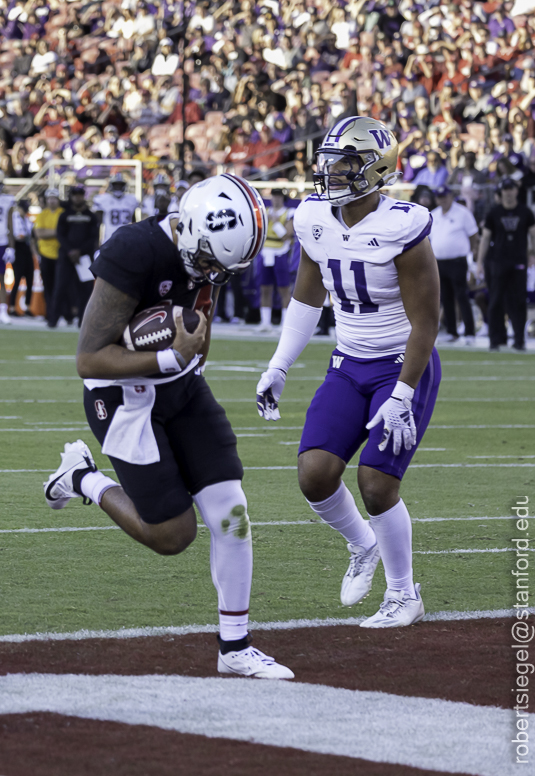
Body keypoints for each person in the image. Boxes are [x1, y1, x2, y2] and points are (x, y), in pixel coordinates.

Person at [43, 174, 293, 680]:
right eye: (209, 262)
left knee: (232, 512)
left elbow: (200, 318)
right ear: (190, 230)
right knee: (172, 535)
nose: (212, 274)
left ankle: (235, 646)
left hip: (181, 386)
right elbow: (89, 359)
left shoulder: (209, 253)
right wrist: (168, 358)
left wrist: (187, 361)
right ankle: (82, 478)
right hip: (122, 397)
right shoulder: (134, 250)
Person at [257, 117, 441, 628]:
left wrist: (402, 394)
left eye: (346, 163)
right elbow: (306, 297)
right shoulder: (313, 215)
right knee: (314, 475)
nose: (333, 171)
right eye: (330, 161)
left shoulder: (403, 225)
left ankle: (404, 595)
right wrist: (279, 364)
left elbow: (426, 322)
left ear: (377, 169)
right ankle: (363, 544)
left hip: (402, 363)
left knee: (376, 483)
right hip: (348, 362)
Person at [477, 178, 535, 351]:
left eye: (511, 189)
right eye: (505, 189)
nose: (508, 193)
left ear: (516, 191)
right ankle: (496, 339)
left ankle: (519, 339)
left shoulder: (525, 212)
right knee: (495, 299)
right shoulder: (494, 213)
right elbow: (485, 238)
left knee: (518, 301)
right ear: (501, 192)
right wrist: (480, 262)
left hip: (518, 261)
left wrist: (532, 254)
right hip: (498, 261)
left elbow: (533, 234)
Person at [429, 185, 479, 344]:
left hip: (457, 261)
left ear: (451, 196)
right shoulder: (434, 214)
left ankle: (470, 332)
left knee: (462, 296)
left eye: (445, 197)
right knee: (445, 297)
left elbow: (473, 235)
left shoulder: (462, 213)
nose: (442, 200)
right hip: (439, 261)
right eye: (439, 197)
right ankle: (452, 331)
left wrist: (471, 253)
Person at [49, 185, 100, 329]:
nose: (77, 198)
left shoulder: (90, 216)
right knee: (60, 287)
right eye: (75, 195)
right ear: (71, 197)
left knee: (86, 289)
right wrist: (71, 251)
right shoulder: (65, 215)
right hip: (67, 256)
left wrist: (80, 251)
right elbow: (60, 235)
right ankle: (53, 319)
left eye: (80, 195)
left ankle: (83, 320)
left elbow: (93, 237)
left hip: (84, 257)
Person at [258, 188, 294, 332]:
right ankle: (265, 322)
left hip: (281, 253)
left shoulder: (289, 212)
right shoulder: (265, 212)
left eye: (279, 196)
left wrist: (276, 223)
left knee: (284, 289)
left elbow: (286, 235)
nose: (276, 199)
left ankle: (285, 323)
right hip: (265, 252)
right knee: (264, 288)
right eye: (274, 196)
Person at [34, 187, 64, 325]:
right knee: (48, 285)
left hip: (60, 254)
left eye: (54, 198)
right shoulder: (42, 214)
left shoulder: (62, 213)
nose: (52, 201)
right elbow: (39, 233)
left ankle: (60, 313)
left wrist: (49, 232)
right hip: (45, 254)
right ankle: (50, 313)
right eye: (50, 198)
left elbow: (64, 231)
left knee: (60, 286)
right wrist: (56, 232)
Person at [92, 173, 139, 245]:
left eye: (120, 185)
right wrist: (97, 240)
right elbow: (98, 223)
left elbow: (134, 222)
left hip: (127, 239)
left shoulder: (132, 199)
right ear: (111, 186)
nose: (118, 187)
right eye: (116, 185)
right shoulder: (103, 199)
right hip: (109, 238)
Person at [8, 198, 35, 317]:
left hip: (27, 249)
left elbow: (31, 237)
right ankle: (12, 307)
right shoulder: (14, 218)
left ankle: (27, 307)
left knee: (30, 278)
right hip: (18, 249)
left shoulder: (27, 219)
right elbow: (14, 235)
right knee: (17, 278)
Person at [0, 171, 15, 324]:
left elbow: (10, 225)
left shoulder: (7, 200)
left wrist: (11, 247)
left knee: (1, 278)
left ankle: (3, 310)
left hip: (2, 242)